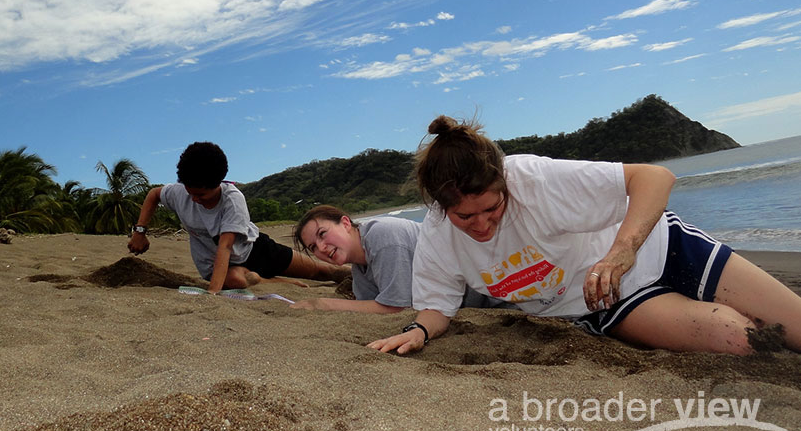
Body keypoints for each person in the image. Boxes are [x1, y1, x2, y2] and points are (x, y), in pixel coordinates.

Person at [369, 115, 801, 356]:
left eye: (491, 208)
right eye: (465, 217)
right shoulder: (437, 234)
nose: (480, 225)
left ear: (503, 184)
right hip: (608, 303)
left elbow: (653, 177)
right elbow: (438, 306)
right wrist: (418, 332)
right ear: (442, 208)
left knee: (795, 326)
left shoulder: (530, 178)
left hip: (662, 248)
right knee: (743, 342)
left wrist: (620, 253)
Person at [127, 142, 348, 293]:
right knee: (235, 281)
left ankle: (364, 276)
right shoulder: (179, 192)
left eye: (201, 194)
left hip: (257, 251)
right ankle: (269, 281)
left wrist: (212, 293)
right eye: (189, 192)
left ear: (219, 184)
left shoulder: (232, 200)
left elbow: (225, 246)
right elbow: (154, 194)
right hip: (219, 267)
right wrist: (140, 232)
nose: (194, 199)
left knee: (324, 271)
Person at [291, 204, 508, 313]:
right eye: (313, 247)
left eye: (322, 234)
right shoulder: (360, 266)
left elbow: (396, 308)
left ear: (346, 223)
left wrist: (323, 303)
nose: (321, 248)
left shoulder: (383, 236)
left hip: (497, 296)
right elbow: (370, 307)